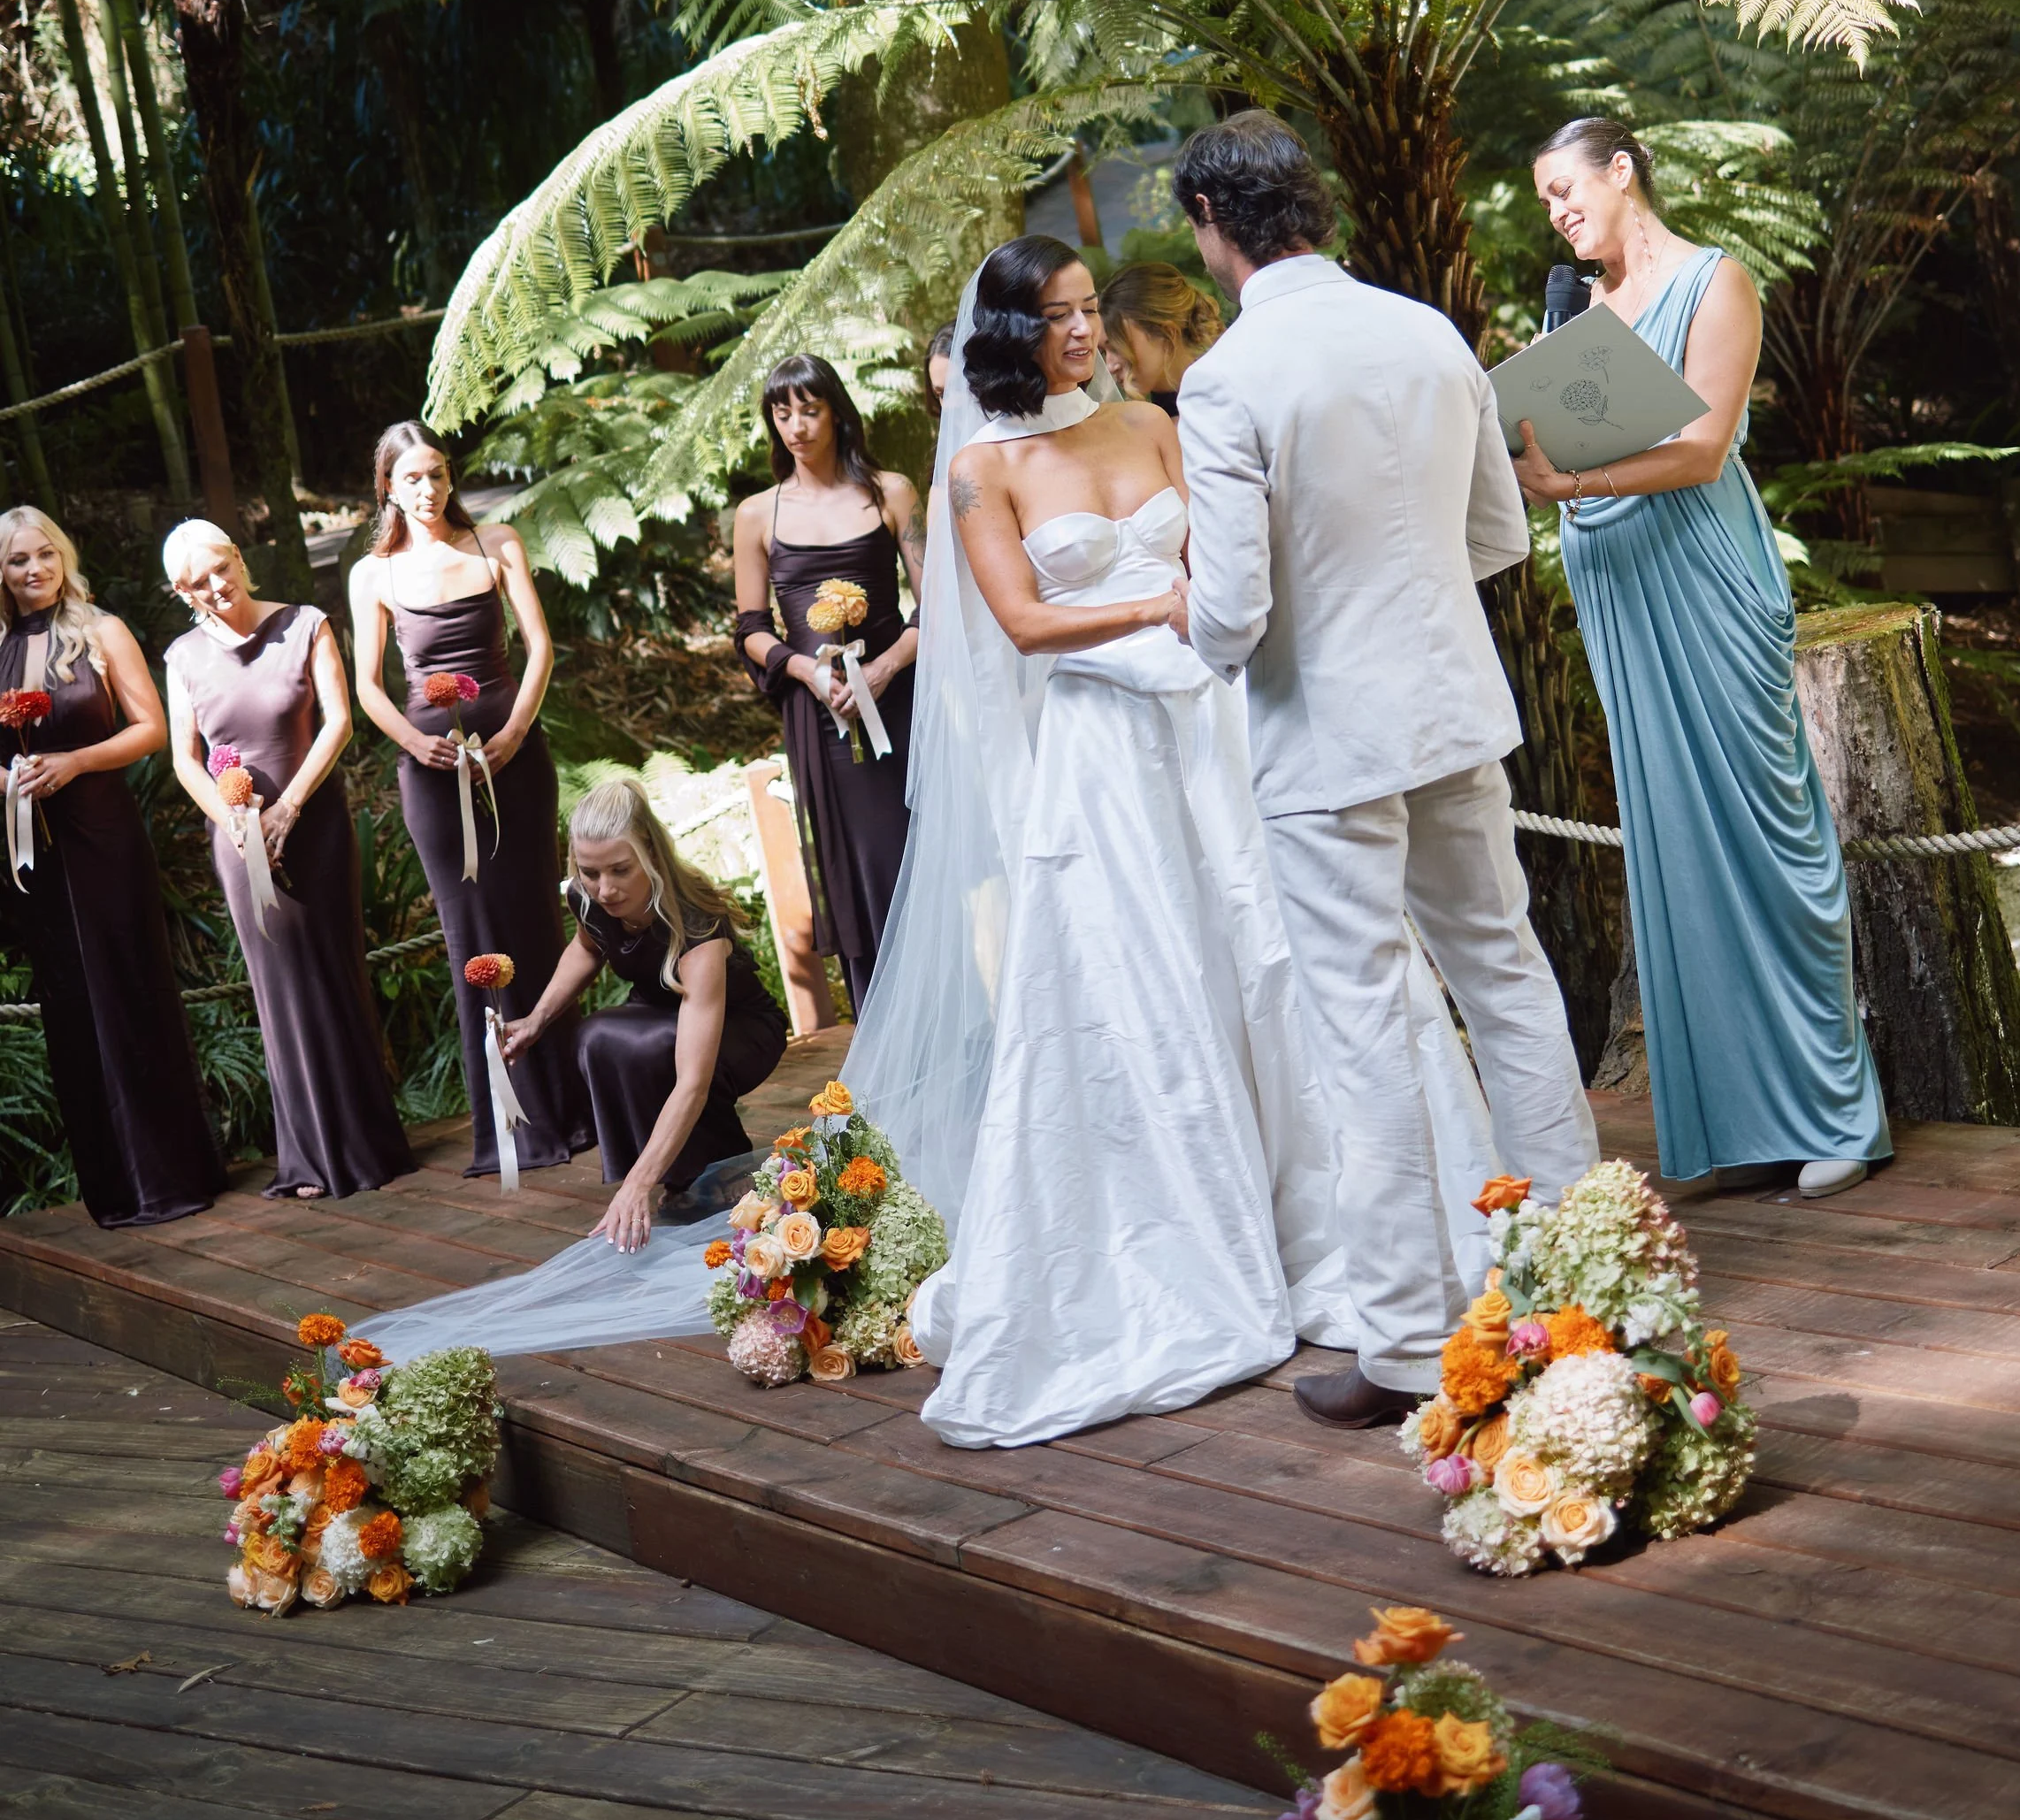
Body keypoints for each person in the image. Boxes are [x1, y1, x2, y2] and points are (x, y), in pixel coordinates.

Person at [847, 235, 1499, 1452]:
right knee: (1145, 992)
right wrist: (1154, 605)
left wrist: (1206, 620)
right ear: (1008, 333)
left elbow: (1229, 561)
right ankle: (1191, 1250)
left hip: (1213, 727)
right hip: (1102, 758)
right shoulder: (982, 473)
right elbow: (1027, 623)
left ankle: (1369, 1239)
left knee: (1285, 965)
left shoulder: (1153, 427)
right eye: (1057, 317)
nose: (1084, 333)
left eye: (1090, 310)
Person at [1174, 111, 1598, 1431]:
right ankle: (1590, 1276)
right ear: (1310, 209)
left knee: (1359, 1026)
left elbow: (1230, 621)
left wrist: (1188, 604)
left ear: (1213, 233)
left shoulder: (1226, 380)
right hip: (1452, 714)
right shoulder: (1429, 333)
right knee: (1508, 981)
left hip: (1324, 747)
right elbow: (1494, 537)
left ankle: (1410, 1340)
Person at [1519, 119, 1890, 1200]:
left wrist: (1571, 489)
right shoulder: (1582, 311)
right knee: (1677, 853)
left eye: (1563, 189)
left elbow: (1701, 446)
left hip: (1704, 581)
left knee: (1764, 838)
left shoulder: (1715, 281)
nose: (1557, 213)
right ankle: (1740, 1122)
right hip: (1618, 592)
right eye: (1544, 202)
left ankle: (1835, 1111)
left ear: (1622, 170)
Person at [348, 422, 590, 1179]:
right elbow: (365, 686)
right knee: (471, 935)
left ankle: (570, 1107)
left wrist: (517, 731)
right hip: (432, 766)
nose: (429, 490)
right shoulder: (374, 574)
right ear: (387, 485)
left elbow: (539, 647)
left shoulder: (498, 542)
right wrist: (414, 745)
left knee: (534, 918)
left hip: (514, 754)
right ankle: (507, 1123)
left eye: (439, 474)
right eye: (413, 478)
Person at [165, 521, 414, 1201]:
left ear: (240, 560)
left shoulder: (305, 624)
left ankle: (368, 1146)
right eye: (196, 583)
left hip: (315, 825)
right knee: (280, 996)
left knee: (337, 974)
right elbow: (185, 759)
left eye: (221, 569)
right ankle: (306, 1158)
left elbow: (337, 720)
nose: (216, 588)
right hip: (240, 840)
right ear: (181, 593)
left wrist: (289, 807)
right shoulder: (183, 656)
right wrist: (237, 825)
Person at [0, 506, 223, 1227]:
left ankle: (173, 1175)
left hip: (103, 834)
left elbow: (151, 729)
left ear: (63, 556)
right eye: (15, 561)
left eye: (43, 555)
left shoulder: (100, 630)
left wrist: (72, 762)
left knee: (128, 986)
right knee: (70, 1004)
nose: (33, 570)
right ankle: (115, 1188)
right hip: (33, 848)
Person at [500, 778, 789, 1249]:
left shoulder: (697, 922)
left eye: (619, 870)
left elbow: (692, 1079)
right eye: (590, 872)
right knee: (598, 1036)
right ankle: (679, 1180)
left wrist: (636, 1185)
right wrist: (536, 1019)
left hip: (741, 1026)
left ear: (650, 852)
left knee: (664, 1052)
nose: (605, 889)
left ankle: (724, 1175)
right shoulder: (587, 894)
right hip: (660, 1014)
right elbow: (586, 947)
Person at [733, 355, 922, 1012]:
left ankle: (950, 1022)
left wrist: (886, 665)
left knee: (913, 859)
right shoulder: (758, 514)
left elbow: (938, 609)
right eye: (781, 413)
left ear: (836, 411)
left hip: (900, 704)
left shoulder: (890, 492)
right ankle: (882, 1032)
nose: (795, 426)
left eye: (808, 409)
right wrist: (810, 671)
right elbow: (751, 628)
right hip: (821, 720)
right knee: (855, 870)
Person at [1097, 261, 1223, 414]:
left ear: (1167, 333)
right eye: (1104, 352)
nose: (1110, 366)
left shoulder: (1225, 396)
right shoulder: (1149, 421)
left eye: (1118, 347)